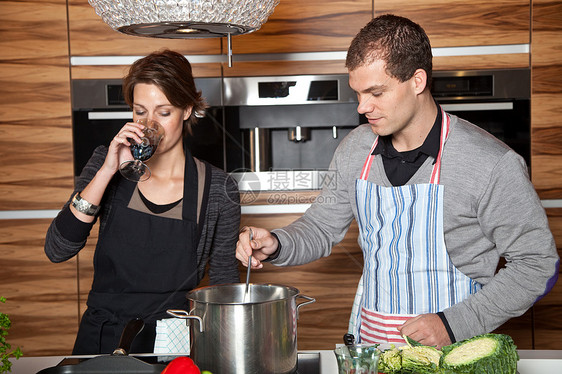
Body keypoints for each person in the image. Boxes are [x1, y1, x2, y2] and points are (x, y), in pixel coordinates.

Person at [236, 14, 559, 349]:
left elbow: (537, 265)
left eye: (376, 92)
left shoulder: (491, 163)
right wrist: (276, 242)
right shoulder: (355, 149)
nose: (363, 107)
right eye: (358, 93)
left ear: (417, 81)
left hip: (453, 354)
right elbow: (319, 228)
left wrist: (452, 325)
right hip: (372, 348)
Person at [45, 49, 241, 354]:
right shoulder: (105, 164)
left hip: (173, 341)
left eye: (164, 112)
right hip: (103, 337)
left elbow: (224, 285)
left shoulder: (217, 187)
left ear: (187, 110)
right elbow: (58, 249)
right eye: (140, 112)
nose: (150, 124)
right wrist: (109, 169)